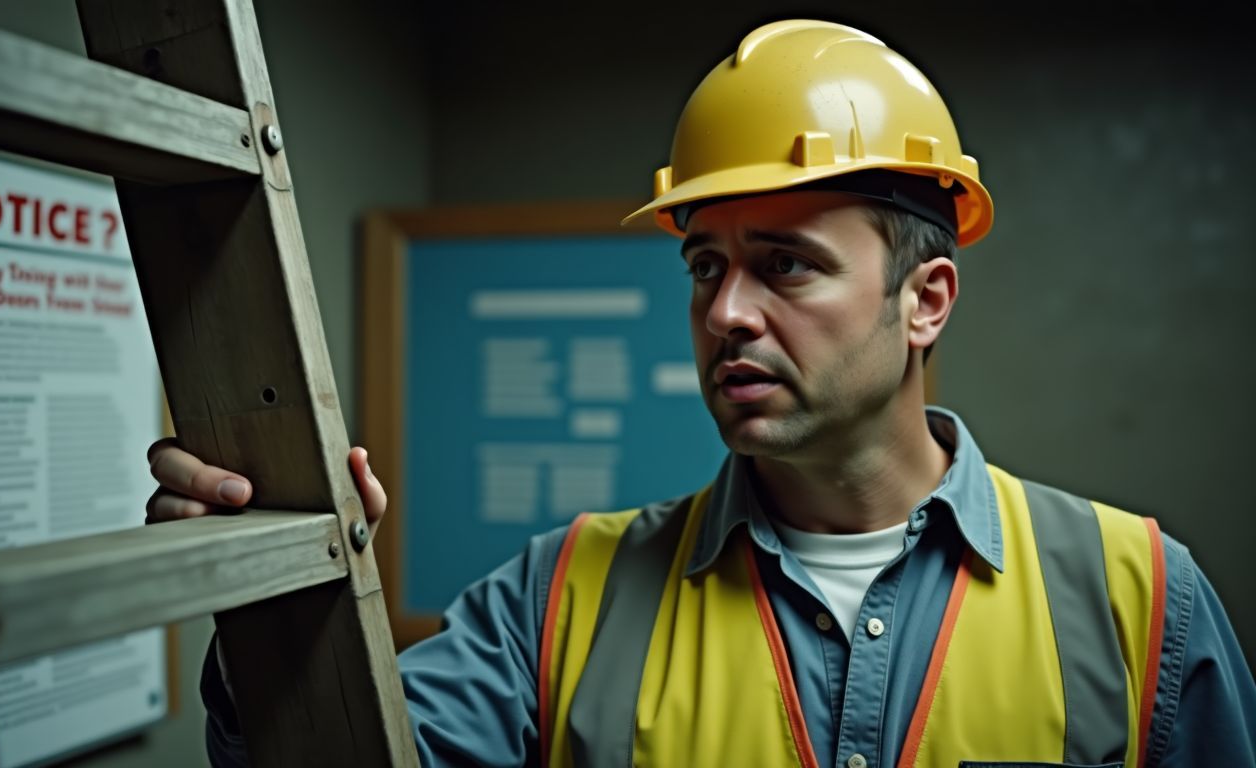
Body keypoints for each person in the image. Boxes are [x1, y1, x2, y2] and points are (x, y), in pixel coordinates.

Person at [146, 19, 1255, 767]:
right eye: (705, 267)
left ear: (926, 300)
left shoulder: (1139, 602)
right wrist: (279, 612)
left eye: (786, 264)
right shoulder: (561, 597)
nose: (726, 312)